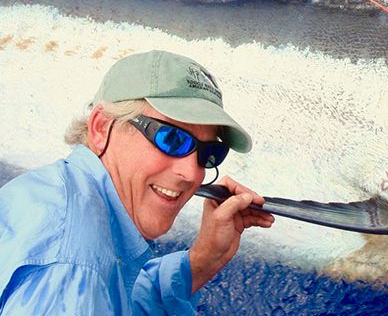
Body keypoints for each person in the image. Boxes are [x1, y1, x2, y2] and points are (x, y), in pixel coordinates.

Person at [0, 50, 274, 314]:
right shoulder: (73, 270)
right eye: (171, 139)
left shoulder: (57, 193)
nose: (192, 173)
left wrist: (203, 260)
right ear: (101, 128)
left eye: (209, 154)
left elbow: (116, 303)